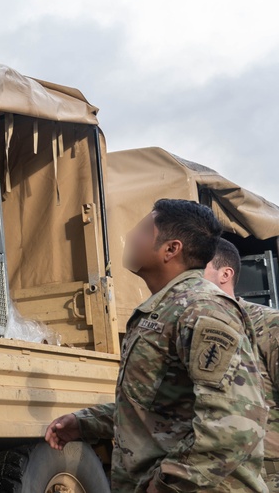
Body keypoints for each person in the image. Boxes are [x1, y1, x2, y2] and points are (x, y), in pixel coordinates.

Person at [44, 199, 268, 493]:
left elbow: (235, 424)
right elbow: (161, 408)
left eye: (143, 229)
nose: (130, 237)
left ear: (171, 249)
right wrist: (85, 423)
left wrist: (165, 485)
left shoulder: (201, 310)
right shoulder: (167, 308)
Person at [204, 238, 279, 492]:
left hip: (267, 475)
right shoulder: (188, 330)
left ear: (226, 274)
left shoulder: (269, 325)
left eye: (197, 270)